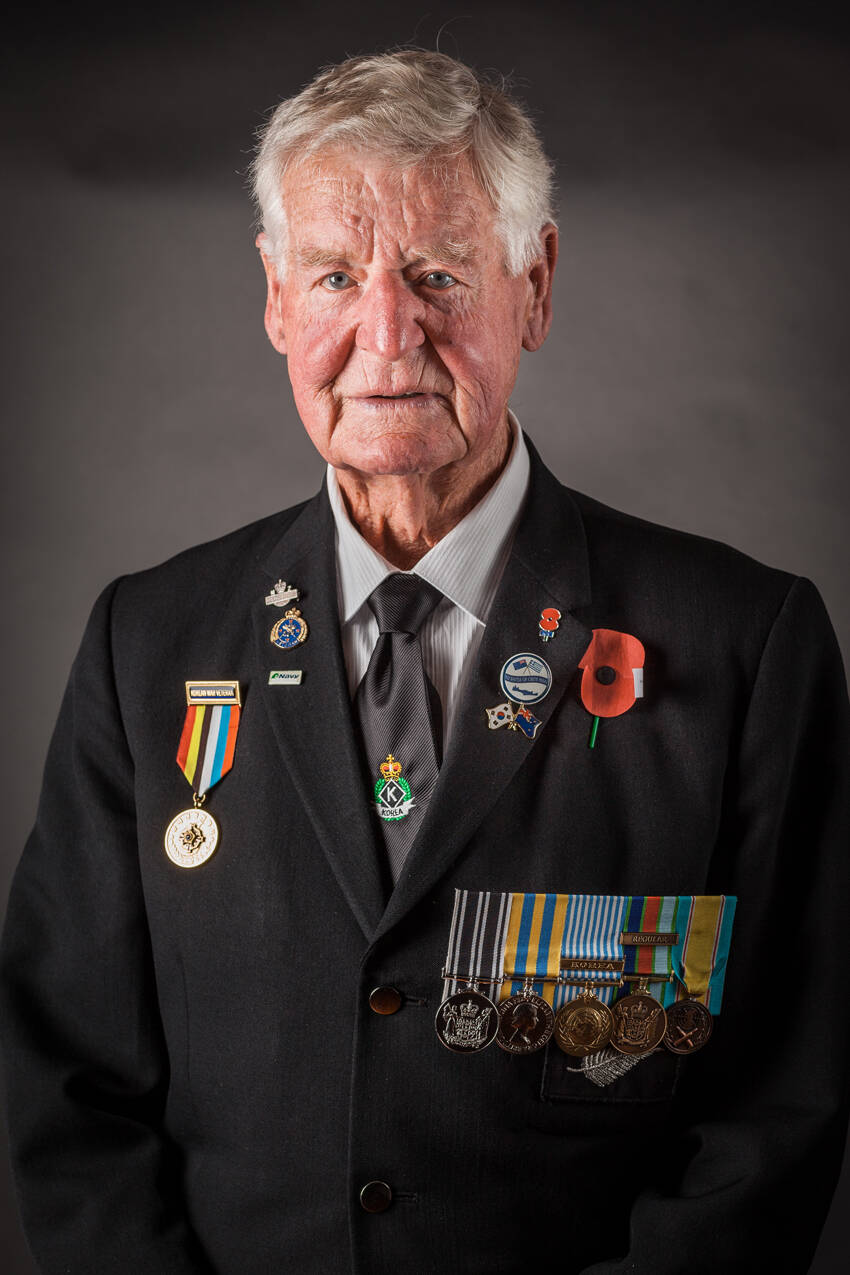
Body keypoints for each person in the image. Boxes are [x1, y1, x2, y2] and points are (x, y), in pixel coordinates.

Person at [2, 49, 848, 1275]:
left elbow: (784, 1104)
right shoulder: (149, 641)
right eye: (336, 274)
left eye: (438, 275)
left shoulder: (747, 643)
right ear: (277, 296)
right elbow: (65, 1081)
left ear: (536, 285)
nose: (384, 334)